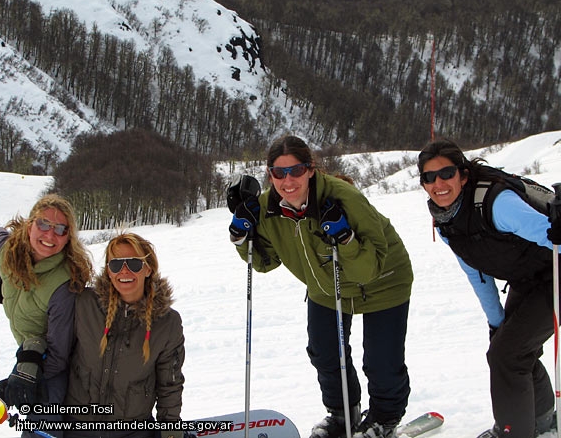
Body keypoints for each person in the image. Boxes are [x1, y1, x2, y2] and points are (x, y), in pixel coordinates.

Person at [228, 134, 413, 438]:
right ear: (269, 174)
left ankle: (385, 418)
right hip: (327, 286)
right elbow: (264, 262)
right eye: (279, 173)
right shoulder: (267, 208)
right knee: (325, 353)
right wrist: (241, 235)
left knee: (381, 360)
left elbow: (368, 270)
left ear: (311, 169)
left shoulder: (345, 199)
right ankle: (343, 416)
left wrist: (345, 238)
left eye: (296, 170)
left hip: (384, 281)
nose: (288, 181)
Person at [417, 139, 561, 438]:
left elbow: (552, 236)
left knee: (506, 355)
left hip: (556, 274)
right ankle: (543, 421)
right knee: (511, 348)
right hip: (529, 277)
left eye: (446, 174)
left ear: (463, 175)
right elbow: (476, 271)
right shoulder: (446, 220)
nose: (438, 183)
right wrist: (496, 322)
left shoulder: (497, 204)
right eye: (429, 177)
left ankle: (513, 432)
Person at [0, 193, 93, 437]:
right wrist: (1, 280)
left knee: (44, 407)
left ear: (68, 238)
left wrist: (20, 377)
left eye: (61, 229)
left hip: (58, 361)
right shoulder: (7, 252)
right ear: (30, 224)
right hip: (30, 350)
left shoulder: (64, 285)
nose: (50, 235)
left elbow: (58, 358)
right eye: (43, 224)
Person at [63, 232, 185, 438]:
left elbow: (170, 385)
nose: (124, 271)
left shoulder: (167, 323)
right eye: (116, 264)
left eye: (134, 264)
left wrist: (170, 432)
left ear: (148, 268)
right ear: (109, 271)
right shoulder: (85, 304)